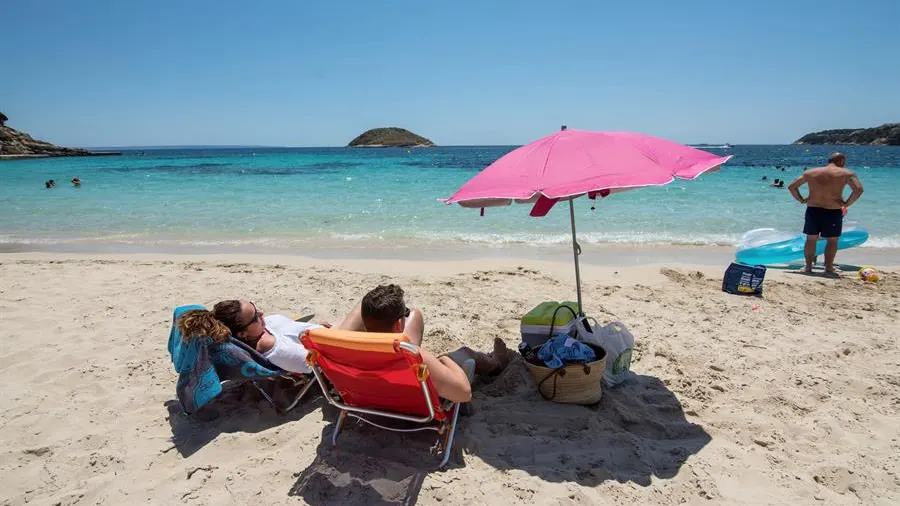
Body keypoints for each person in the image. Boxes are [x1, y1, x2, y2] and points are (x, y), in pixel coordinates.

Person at [337, 284, 511, 402]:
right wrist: (443, 361)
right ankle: (496, 362)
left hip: (366, 395)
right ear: (399, 324)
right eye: (403, 314)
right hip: (410, 399)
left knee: (395, 310)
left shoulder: (342, 352)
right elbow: (463, 393)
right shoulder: (414, 356)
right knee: (465, 353)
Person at [788, 152, 864, 274]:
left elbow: (792, 186)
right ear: (842, 161)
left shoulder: (811, 173)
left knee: (811, 239)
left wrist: (801, 199)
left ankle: (808, 267)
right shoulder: (846, 173)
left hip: (813, 209)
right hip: (833, 210)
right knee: (832, 240)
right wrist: (846, 203)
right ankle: (828, 267)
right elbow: (858, 189)